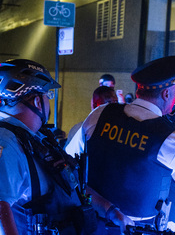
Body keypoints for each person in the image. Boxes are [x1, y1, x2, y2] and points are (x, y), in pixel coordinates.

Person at [66, 56, 175, 228]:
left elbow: (69, 160)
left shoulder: (100, 114)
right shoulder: (170, 139)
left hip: (88, 225)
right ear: (166, 94)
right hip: (136, 229)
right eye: (174, 91)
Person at [0, 59, 130, 234]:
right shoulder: (8, 144)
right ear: (37, 101)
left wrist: (112, 211)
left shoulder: (37, 139)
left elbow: (72, 185)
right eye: (48, 95)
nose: (48, 102)